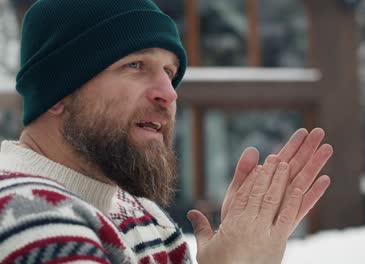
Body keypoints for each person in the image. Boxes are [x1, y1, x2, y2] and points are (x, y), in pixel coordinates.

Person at [0, 0, 333, 263]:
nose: (169, 93)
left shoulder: (146, 220)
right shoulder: (26, 217)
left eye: (170, 72)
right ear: (58, 92)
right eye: (135, 65)